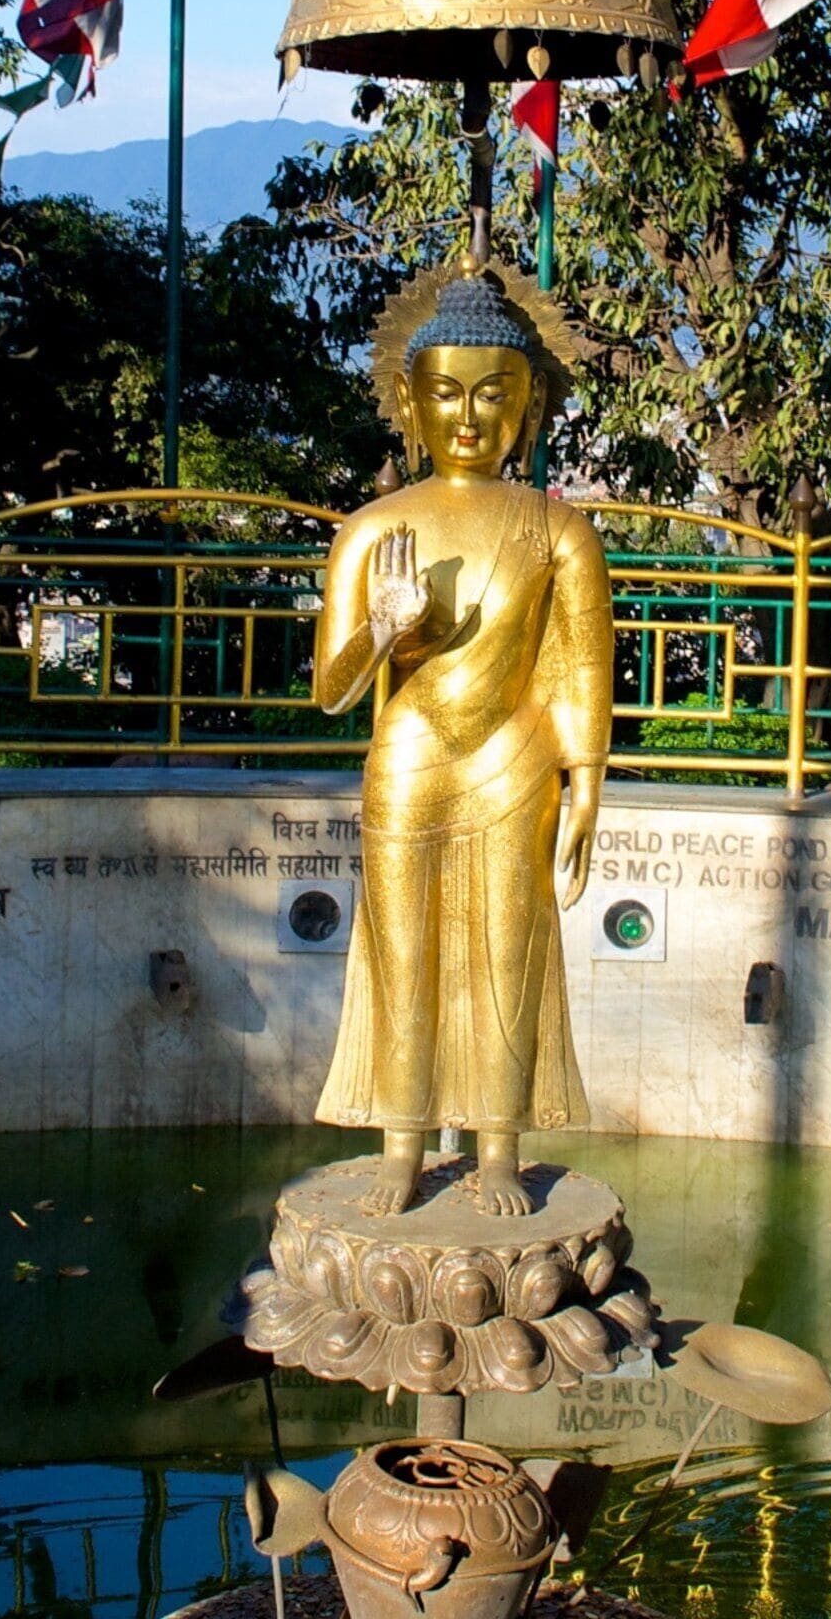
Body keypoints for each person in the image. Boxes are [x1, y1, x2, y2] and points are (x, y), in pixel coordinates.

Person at [310, 262, 616, 1219]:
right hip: (409, 761)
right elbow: (329, 689)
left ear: (530, 404)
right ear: (409, 398)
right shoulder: (374, 528)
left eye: (496, 395)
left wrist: (589, 787)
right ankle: (402, 1143)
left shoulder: (556, 530)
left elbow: (577, 668)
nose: (470, 418)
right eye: (446, 394)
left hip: (516, 761)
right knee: (404, 954)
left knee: (508, 953)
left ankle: (495, 1149)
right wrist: (386, 629)